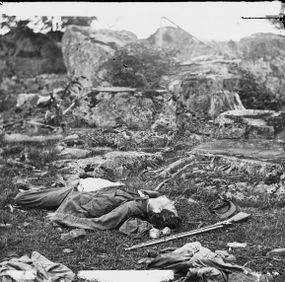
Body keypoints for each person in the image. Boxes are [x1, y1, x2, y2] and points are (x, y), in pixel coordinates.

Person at [15, 181, 181, 231]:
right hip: (84, 191)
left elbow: (102, 222)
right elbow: (154, 196)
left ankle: (29, 193)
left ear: (158, 209)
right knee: (38, 193)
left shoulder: (131, 208)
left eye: (170, 205)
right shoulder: (146, 200)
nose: (171, 202)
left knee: (21, 198)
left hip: (74, 200)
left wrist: (61, 217)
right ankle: (37, 190)